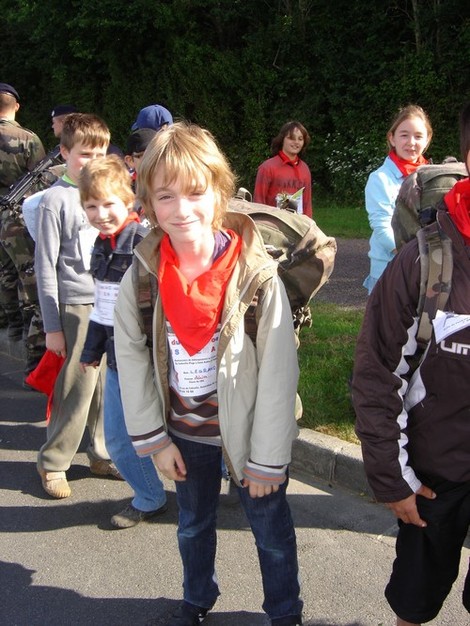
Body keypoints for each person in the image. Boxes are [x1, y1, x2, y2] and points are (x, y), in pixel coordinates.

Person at [114, 122, 303, 626]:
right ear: (148, 203)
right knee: (193, 526)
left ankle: (285, 613)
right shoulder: (144, 272)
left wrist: (267, 459)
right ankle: (196, 599)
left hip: (247, 436)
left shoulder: (256, 273)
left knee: (272, 533)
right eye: (165, 196)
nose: (181, 209)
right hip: (184, 435)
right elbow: (130, 356)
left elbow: (280, 373)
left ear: (220, 191)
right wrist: (154, 441)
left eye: (195, 192)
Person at [352, 103, 470, 626]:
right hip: (435, 472)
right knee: (415, 602)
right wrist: (392, 480)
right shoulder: (423, 263)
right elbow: (378, 376)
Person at [78, 155, 167, 528]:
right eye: (91, 206)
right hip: (117, 360)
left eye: (108, 203)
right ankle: (150, 495)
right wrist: (91, 350)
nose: (100, 213)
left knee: (194, 433)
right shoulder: (101, 244)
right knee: (117, 439)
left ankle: (227, 475)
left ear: (129, 199)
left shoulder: (145, 242)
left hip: (156, 360)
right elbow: (103, 306)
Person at [35, 113, 121, 499]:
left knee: (106, 384)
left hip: (108, 302)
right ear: (64, 152)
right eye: (85, 153)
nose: (95, 159)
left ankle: (100, 452)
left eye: (101, 151)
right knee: (77, 385)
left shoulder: (105, 195)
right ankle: (53, 461)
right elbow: (45, 268)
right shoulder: (56, 200)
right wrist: (53, 326)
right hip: (75, 306)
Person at [0, 82, 47, 374]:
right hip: (16, 217)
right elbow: (40, 180)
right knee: (24, 274)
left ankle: (8, 327)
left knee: (3, 272)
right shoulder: (27, 139)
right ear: (16, 106)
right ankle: (25, 335)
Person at [363, 104, 433, 294]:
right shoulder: (380, 179)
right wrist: (418, 257)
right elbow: (382, 228)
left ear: (427, 140)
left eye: (418, 136)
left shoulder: (434, 178)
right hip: (389, 270)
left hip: (429, 272)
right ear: (392, 138)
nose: (411, 142)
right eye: (404, 135)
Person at [253, 121, 312, 217]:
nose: (296, 142)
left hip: (297, 224)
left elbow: (307, 204)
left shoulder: (304, 169)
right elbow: (258, 200)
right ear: (282, 140)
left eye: (300, 139)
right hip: (273, 224)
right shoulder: (267, 167)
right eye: (291, 138)